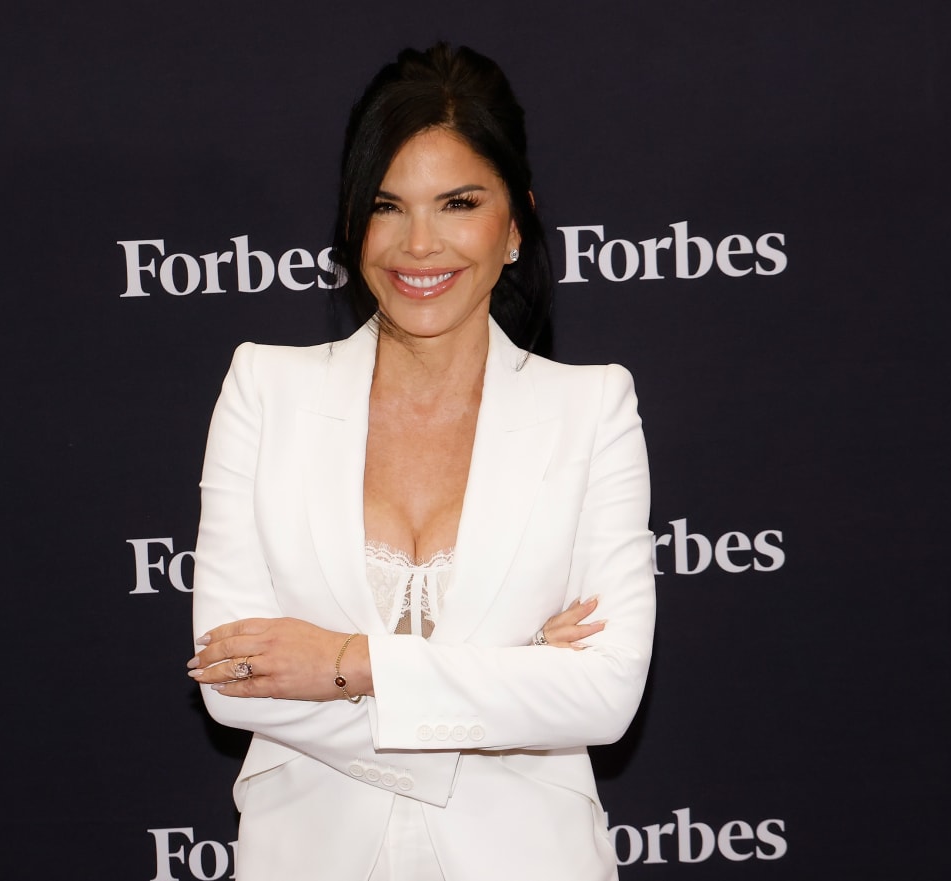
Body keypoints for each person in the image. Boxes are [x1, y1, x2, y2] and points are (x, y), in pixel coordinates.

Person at [188, 43, 654, 881]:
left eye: (459, 203)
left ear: (515, 223)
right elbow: (232, 677)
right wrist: (513, 680)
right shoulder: (265, 388)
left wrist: (346, 662)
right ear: (352, 223)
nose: (419, 244)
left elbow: (605, 695)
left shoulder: (592, 409)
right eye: (387, 205)